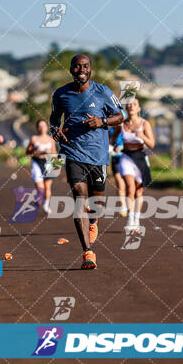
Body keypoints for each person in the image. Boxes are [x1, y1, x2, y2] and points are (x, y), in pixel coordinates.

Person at [50, 53, 125, 270]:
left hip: (98, 156)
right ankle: (87, 252)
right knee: (79, 199)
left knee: (96, 205)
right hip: (73, 153)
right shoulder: (61, 94)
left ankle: (94, 221)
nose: (81, 70)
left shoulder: (103, 92)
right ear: (71, 69)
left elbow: (120, 116)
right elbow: (54, 120)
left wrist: (102, 121)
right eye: (77, 66)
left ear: (90, 69)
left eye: (85, 66)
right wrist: (55, 130)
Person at [111, 97, 155, 229]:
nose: (131, 106)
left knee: (138, 191)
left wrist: (143, 137)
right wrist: (114, 145)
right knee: (130, 187)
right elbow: (113, 137)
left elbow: (151, 144)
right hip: (126, 157)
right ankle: (130, 219)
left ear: (138, 108)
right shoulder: (122, 124)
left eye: (134, 104)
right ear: (127, 108)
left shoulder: (144, 124)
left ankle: (136, 218)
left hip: (140, 157)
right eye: (129, 104)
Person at [26, 119, 57, 213]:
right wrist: (34, 150)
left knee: (48, 187)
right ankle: (39, 197)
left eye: (44, 126)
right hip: (36, 162)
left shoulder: (51, 140)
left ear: (46, 127)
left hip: (48, 163)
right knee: (41, 188)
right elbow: (27, 152)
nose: (42, 128)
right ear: (37, 128)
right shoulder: (34, 138)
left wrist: (49, 153)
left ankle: (46, 206)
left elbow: (55, 154)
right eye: (40, 126)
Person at [109, 126, 127, 217]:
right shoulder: (111, 130)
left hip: (127, 159)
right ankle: (123, 206)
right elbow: (108, 143)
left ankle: (129, 203)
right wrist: (111, 149)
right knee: (120, 184)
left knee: (129, 184)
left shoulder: (128, 129)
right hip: (116, 159)